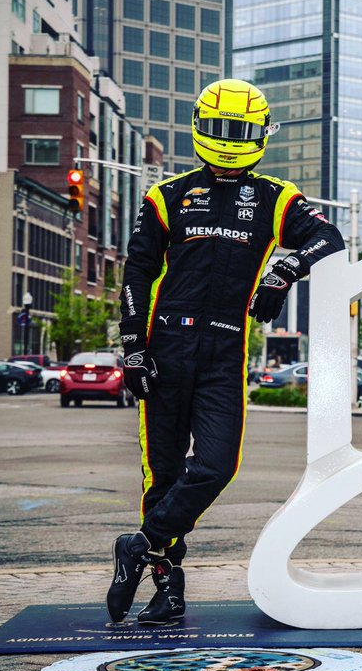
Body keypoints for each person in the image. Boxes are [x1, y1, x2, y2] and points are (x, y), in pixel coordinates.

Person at [108, 79, 345, 624]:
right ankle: (169, 591)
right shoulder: (163, 196)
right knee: (162, 475)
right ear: (199, 128)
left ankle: (138, 546)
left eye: (239, 130)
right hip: (165, 345)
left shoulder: (275, 197)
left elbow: (328, 238)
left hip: (224, 348)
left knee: (217, 465)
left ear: (261, 134)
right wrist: (133, 347)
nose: (228, 139)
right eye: (219, 128)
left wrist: (282, 272)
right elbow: (137, 272)